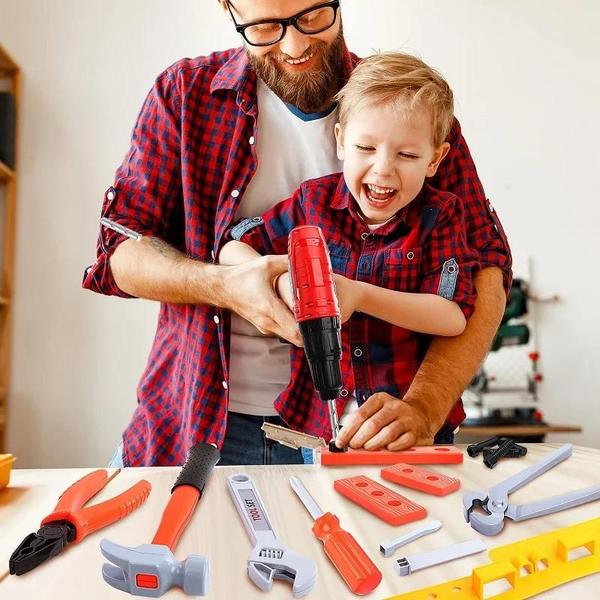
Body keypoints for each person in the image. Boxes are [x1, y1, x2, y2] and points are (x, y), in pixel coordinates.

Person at [83, 0, 512, 467]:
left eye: (311, 17)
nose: (294, 44)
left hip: (357, 432)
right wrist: (229, 285)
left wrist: (424, 408)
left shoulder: (409, 106)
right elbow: (120, 253)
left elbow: (487, 270)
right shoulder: (185, 93)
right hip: (198, 421)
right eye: (266, 27)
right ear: (230, 9)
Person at [219, 51, 479, 457]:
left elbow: (451, 315)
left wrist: (359, 295)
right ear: (340, 141)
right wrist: (281, 278)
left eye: (407, 155)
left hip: (403, 429)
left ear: (436, 160)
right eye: (365, 147)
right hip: (320, 426)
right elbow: (233, 246)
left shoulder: (440, 215)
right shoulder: (312, 203)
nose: (383, 169)